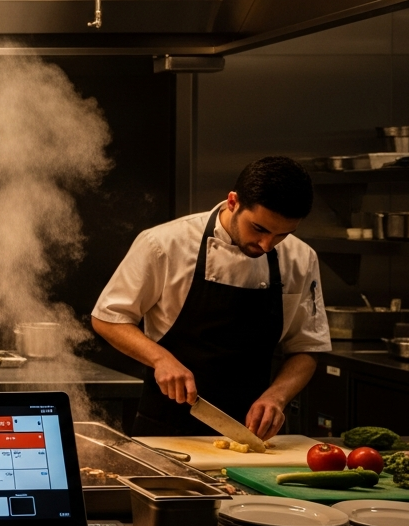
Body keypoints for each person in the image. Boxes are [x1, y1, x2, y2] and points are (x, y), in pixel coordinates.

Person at [91, 156, 330, 439]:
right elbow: (108, 318)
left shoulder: (301, 258)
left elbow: (307, 346)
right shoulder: (164, 245)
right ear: (233, 202)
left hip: (254, 434)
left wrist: (277, 397)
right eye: (259, 229)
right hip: (166, 429)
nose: (267, 245)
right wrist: (160, 359)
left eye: (282, 235)